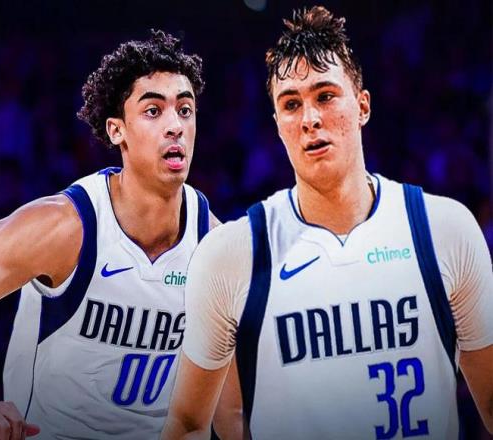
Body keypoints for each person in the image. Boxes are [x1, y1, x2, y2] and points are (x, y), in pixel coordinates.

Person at [161, 6, 493, 439]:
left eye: (325, 96)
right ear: (277, 124)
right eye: (291, 104)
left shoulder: (444, 231)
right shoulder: (232, 255)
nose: (310, 119)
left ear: (362, 106)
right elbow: (191, 423)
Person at [0, 29, 222, 439]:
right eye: (153, 111)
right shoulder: (64, 227)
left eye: (185, 110)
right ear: (117, 131)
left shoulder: (215, 246)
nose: (175, 125)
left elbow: (233, 404)